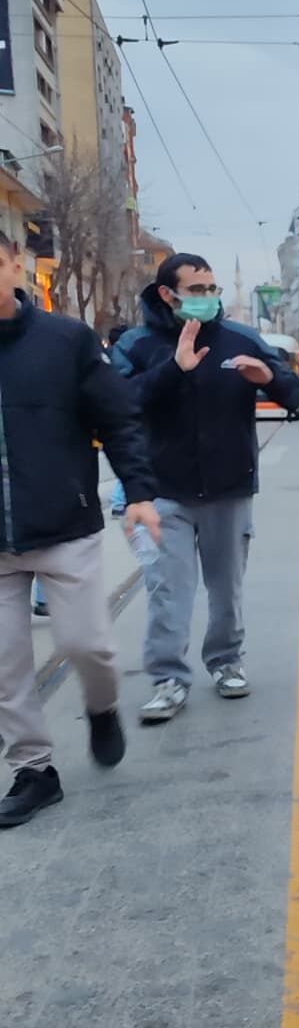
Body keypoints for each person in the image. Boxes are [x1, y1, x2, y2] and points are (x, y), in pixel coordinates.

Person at [0, 234, 161, 825]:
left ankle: (102, 705)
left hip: (64, 525)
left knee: (85, 643)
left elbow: (118, 419)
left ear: (14, 264)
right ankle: (34, 770)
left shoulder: (65, 341)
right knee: (6, 662)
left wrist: (140, 492)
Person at [113, 253, 299, 724]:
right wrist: (173, 369)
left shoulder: (240, 338)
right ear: (167, 293)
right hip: (163, 490)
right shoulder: (136, 345)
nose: (207, 298)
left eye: (212, 289)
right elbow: (117, 406)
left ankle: (226, 662)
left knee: (226, 589)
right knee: (167, 589)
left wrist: (271, 379)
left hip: (229, 486)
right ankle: (168, 679)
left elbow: (298, 396)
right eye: (196, 290)